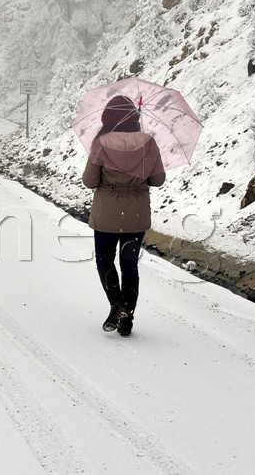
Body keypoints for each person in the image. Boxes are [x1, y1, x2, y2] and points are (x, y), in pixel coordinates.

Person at [81, 94, 165, 337]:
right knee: (129, 266)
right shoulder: (148, 142)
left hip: (107, 217)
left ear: (108, 119)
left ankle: (117, 304)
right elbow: (158, 180)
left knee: (104, 261)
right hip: (135, 217)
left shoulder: (101, 143)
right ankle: (128, 317)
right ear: (134, 118)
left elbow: (89, 181)